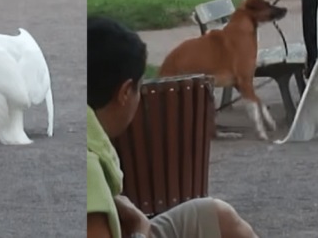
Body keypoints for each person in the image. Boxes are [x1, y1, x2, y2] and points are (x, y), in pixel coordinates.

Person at [86, 16, 259, 238]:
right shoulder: (89, 170)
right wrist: (140, 226)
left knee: (217, 215)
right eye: (140, 88)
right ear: (125, 92)